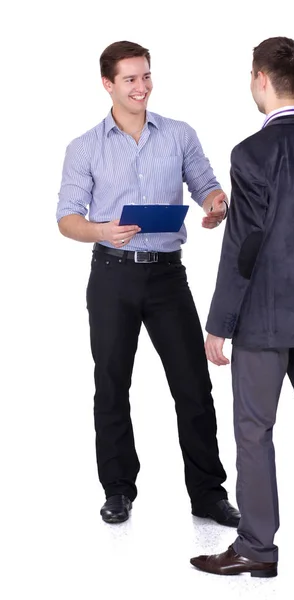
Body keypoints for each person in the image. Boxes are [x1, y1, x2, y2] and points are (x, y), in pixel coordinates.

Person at [190, 36, 294, 577]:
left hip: (263, 320)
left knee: (254, 432)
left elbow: (244, 247)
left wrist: (218, 324)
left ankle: (258, 549)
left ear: (261, 78)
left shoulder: (250, 153)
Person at [56, 40, 240, 528]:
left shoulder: (178, 135)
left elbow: (207, 186)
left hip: (166, 276)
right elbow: (66, 219)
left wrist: (215, 206)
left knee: (193, 385)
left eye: (146, 76)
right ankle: (118, 489)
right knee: (112, 384)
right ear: (108, 84)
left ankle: (208, 493)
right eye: (130, 79)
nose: (141, 87)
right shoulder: (84, 147)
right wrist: (101, 230)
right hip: (111, 273)